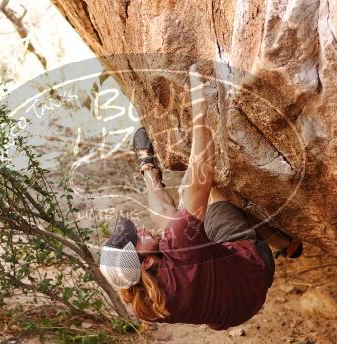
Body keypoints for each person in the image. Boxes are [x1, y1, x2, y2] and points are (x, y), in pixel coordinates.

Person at [99, 65, 302, 330]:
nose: (138, 230)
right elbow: (202, 172)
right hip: (256, 269)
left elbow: (167, 223)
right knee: (199, 193)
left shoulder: (146, 305)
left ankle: (149, 171)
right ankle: (275, 240)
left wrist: (149, 170)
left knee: (180, 225)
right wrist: (199, 106)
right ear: (147, 262)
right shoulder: (181, 249)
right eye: (136, 238)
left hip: (232, 309)